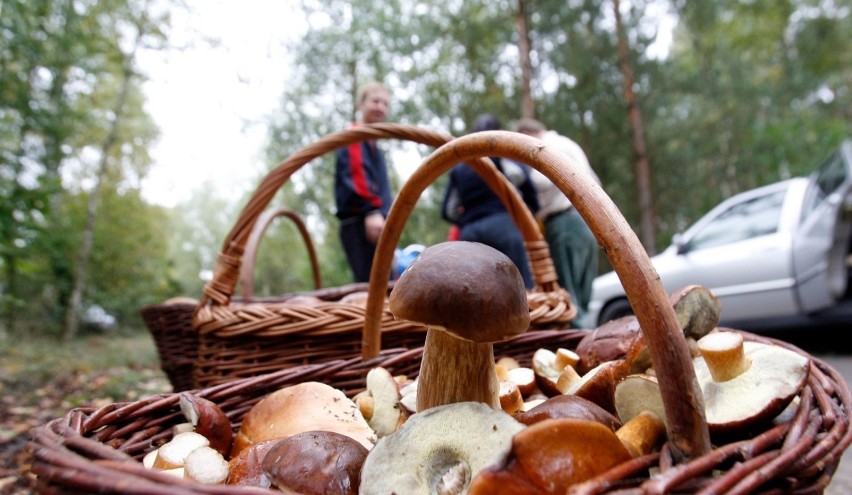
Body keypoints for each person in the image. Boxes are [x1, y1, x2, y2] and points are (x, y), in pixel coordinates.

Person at [514, 118, 601, 328]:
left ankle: (577, 353)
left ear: (527, 135)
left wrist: (520, 181)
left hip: (564, 223)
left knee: (568, 298)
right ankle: (588, 339)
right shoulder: (569, 144)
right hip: (589, 222)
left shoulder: (545, 146)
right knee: (582, 294)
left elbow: (540, 180)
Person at [441, 114, 540, 288]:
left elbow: (448, 210)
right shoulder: (502, 156)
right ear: (498, 132)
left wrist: (466, 221)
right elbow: (524, 182)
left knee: (472, 289)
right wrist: (532, 211)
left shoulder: (460, 167)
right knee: (519, 287)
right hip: (503, 226)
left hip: (470, 234)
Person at [334, 81, 394, 283]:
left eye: (385, 104)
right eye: (375, 101)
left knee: (380, 282)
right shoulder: (356, 136)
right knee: (369, 285)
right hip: (363, 221)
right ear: (361, 105)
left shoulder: (373, 145)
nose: (380, 107)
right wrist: (371, 211)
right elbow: (357, 173)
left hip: (374, 220)